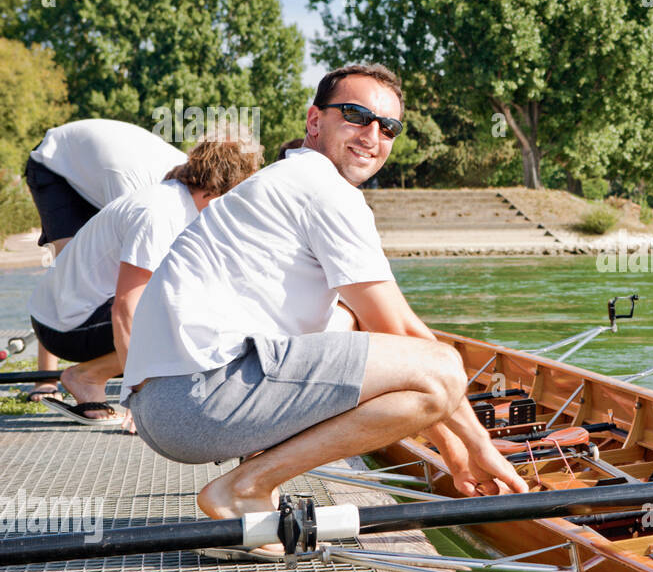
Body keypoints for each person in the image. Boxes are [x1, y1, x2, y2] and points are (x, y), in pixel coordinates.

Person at [123, 64, 527, 526]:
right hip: (196, 402)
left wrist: (454, 450)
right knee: (442, 367)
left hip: (167, 404)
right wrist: (477, 448)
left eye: (388, 126)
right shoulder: (321, 187)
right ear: (315, 121)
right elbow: (403, 334)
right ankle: (246, 487)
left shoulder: (286, 180)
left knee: (348, 322)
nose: (372, 135)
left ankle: (246, 480)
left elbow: (382, 332)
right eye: (355, 115)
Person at [28, 133, 262, 424]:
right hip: (64, 327)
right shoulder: (160, 214)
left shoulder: (178, 200)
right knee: (175, 314)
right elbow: (125, 309)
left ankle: (88, 375)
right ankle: (92, 376)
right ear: (221, 188)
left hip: (70, 313)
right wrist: (138, 401)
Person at [24, 119, 189, 396]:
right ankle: (46, 379)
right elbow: (129, 273)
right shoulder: (137, 196)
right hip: (55, 163)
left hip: (100, 163)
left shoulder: (192, 181)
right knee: (69, 268)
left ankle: (95, 370)